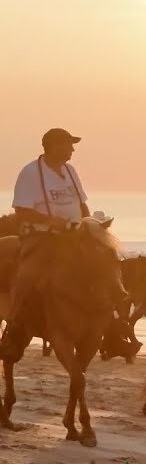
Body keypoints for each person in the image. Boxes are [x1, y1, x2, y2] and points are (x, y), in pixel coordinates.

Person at [0, 128, 93, 363]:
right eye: (68, 144)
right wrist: (50, 221)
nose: (72, 149)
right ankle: (12, 332)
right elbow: (21, 210)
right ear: (53, 146)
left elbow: (82, 205)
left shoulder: (70, 171)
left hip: (74, 236)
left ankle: (111, 326)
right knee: (28, 276)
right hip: (41, 237)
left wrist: (90, 226)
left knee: (104, 265)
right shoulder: (31, 172)